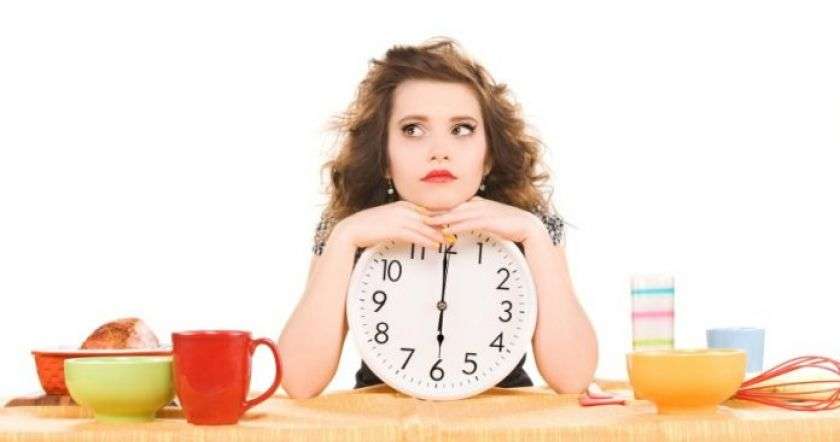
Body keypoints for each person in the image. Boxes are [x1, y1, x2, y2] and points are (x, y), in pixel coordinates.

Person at [278, 38, 598, 399]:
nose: (440, 151)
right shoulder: (350, 229)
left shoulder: (528, 225)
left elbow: (573, 379)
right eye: (413, 129)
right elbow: (299, 381)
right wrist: (344, 238)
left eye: (461, 129)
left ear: (489, 156)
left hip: (502, 420)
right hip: (384, 420)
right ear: (384, 157)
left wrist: (534, 234)